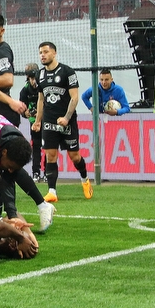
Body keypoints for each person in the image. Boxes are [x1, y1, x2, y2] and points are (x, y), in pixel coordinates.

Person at [33, 42, 92, 202]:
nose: (42, 55)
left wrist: (66, 118)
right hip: (49, 121)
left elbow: (74, 97)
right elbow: (40, 99)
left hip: (68, 121)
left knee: (75, 156)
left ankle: (85, 179)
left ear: (54, 53)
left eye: (45, 52)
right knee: (50, 155)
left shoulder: (68, 72)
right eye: (40, 52)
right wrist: (38, 120)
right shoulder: (39, 75)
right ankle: (52, 191)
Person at [18, 65, 44, 182]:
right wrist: (26, 113)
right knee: (36, 146)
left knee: (49, 146)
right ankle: (36, 173)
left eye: (35, 77)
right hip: (34, 123)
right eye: (31, 78)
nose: (34, 81)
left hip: (46, 120)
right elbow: (22, 109)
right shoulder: (24, 91)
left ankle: (48, 173)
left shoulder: (43, 87)